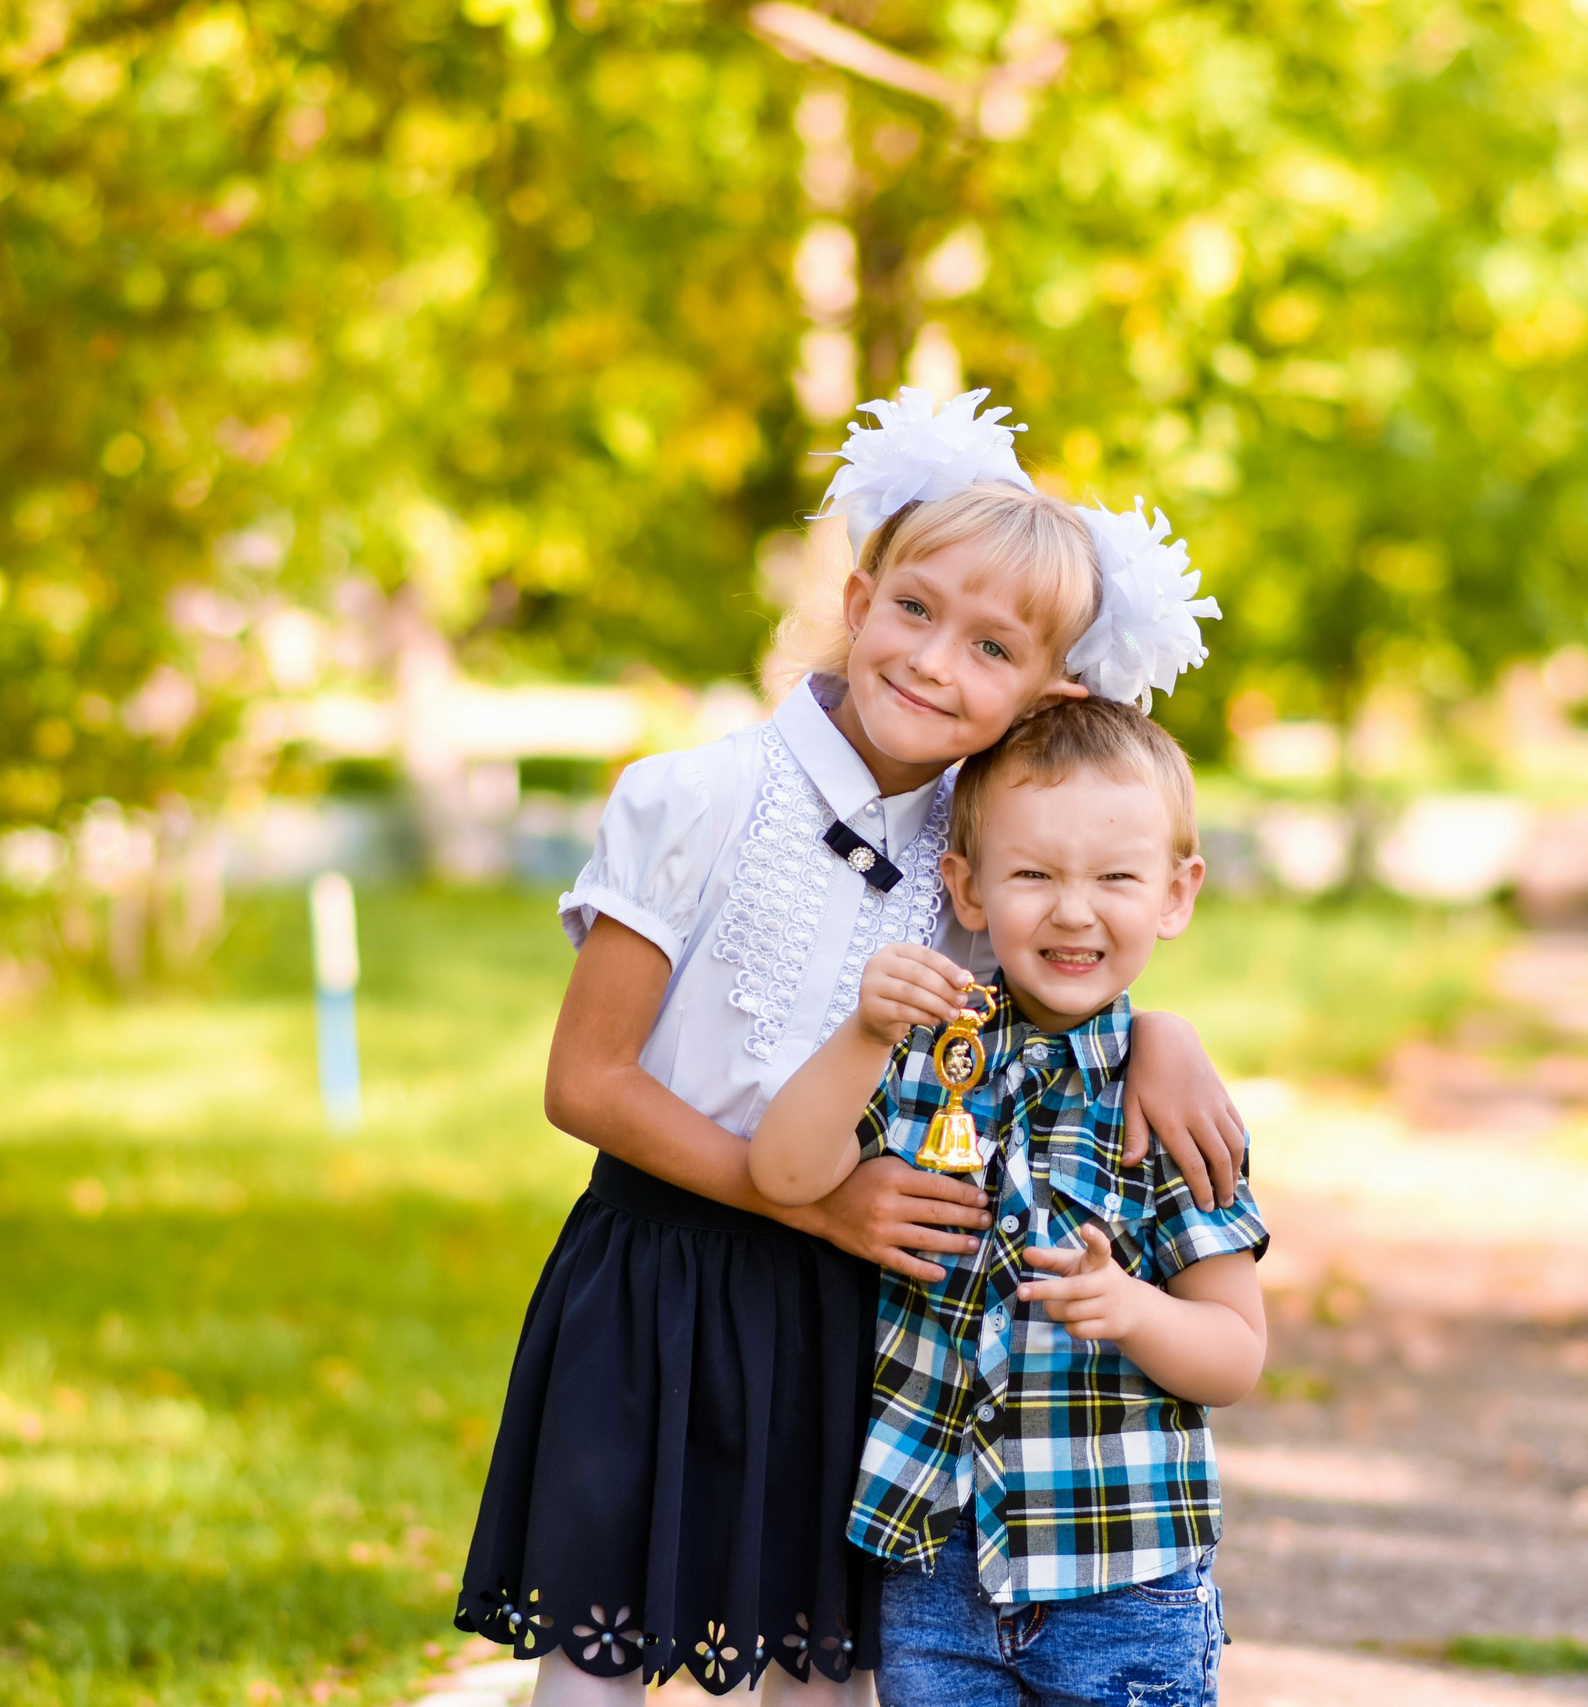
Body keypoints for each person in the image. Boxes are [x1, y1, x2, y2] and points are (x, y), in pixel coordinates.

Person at [454, 389, 1242, 1703]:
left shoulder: (981, 858)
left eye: (991, 648)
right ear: (862, 593)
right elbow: (584, 1081)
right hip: (666, 1276)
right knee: (596, 1664)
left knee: (818, 1672)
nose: (935, 660)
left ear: (1047, 689)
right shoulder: (693, 796)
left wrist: (1158, 1033)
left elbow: (1070, 977)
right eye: (917, 610)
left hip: (867, 1316)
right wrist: (817, 1204)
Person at [749, 696, 1270, 1707]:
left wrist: (1134, 1312)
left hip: (1122, 1575)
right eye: (1032, 874)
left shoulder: (1166, 1109)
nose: (1073, 910)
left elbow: (1236, 1352)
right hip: (932, 1567)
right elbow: (784, 1173)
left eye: (1115, 877)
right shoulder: (924, 1058)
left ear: (1175, 893)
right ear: (966, 887)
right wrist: (862, 1031)